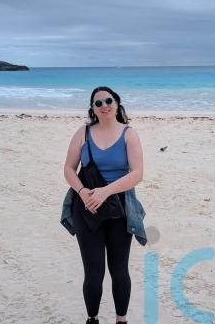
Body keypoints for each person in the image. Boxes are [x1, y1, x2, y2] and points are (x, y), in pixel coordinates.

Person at [63, 86, 145, 324]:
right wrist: (83, 192)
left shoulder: (129, 134)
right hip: (86, 206)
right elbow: (68, 168)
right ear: (93, 109)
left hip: (119, 207)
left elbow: (137, 174)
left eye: (108, 100)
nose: (104, 106)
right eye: (98, 103)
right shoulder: (83, 132)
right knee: (93, 272)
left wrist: (105, 191)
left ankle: (121, 320)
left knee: (119, 270)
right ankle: (93, 319)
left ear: (117, 103)